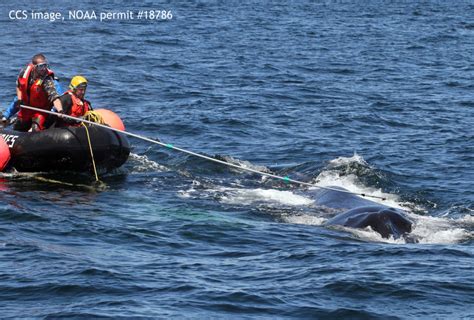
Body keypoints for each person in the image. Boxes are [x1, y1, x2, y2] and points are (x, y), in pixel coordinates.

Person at [7, 54, 64, 131]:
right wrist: (20, 99)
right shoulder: (24, 72)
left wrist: (60, 110)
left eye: (45, 66)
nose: (44, 69)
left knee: (36, 128)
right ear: (34, 67)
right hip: (27, 107)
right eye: (41, 66)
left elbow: (54, 97)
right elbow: (18, 85)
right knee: (18, 127)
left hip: (41, 110)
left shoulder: (46, 79)